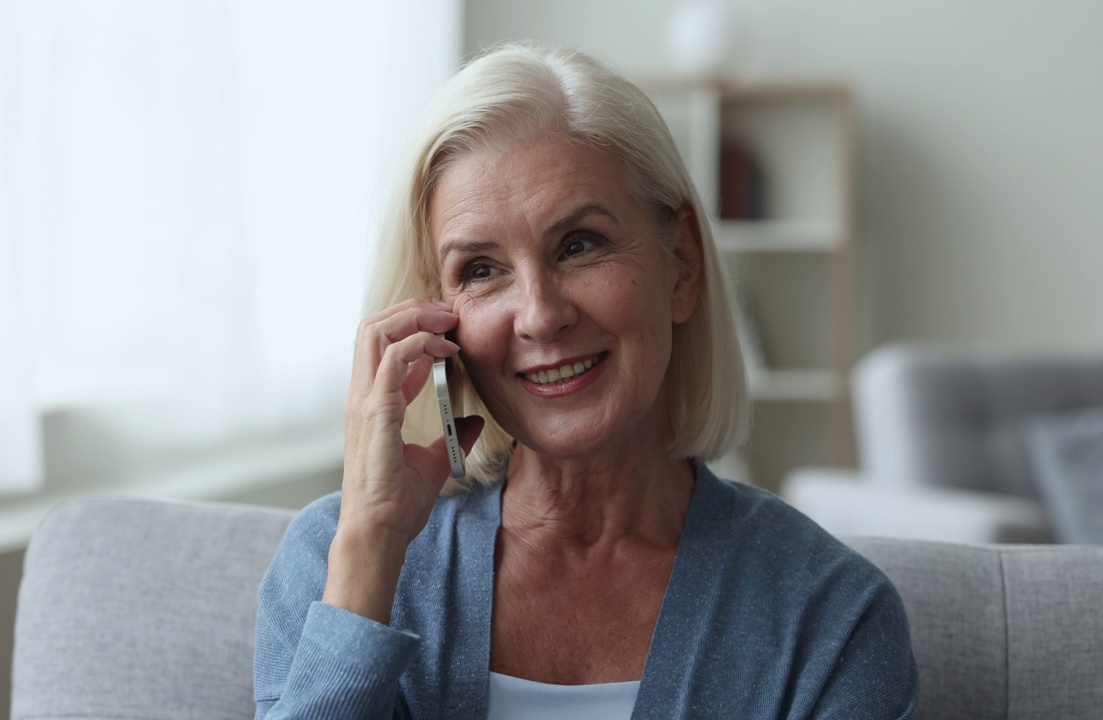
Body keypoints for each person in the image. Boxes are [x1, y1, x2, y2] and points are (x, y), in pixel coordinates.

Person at [253, 43, 919, 719]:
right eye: (481, 270)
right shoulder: (337, 564)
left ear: (682, 265)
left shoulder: (832, 617)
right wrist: (369, 551)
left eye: (579, 245)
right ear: (436, 320)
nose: (540, 316)